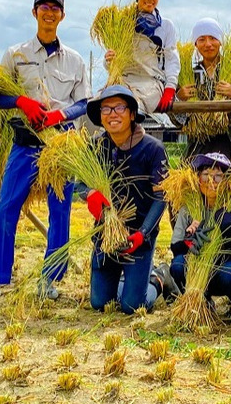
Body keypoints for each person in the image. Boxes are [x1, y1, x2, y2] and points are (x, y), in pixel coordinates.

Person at [0, 0, 88, 300]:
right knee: (7, 207)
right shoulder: (16, 55)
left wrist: (59, 114)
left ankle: (49, 280)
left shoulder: (74, 60)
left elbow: (84, 103)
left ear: (62, 15)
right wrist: (22, 101)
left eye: (55, 8)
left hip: (61, 146)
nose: (49, 12)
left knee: (60, 212)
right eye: (43, 7)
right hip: (25, 142)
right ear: (34, 13)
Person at [83, 85, 170, 314]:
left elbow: (161, 196)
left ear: (132, 114)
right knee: (100, 303)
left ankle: (158, 278)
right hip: (106, 234)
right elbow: (80, 183)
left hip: (138, 235)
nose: (112, 114)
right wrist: (89, 194)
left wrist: (143, 233)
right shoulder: (95, 147)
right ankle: (129, 281)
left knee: (132, 306)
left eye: (120, 107)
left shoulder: (153, 149)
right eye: (106, 109)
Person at [164, 152, 231, 314]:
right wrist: (189, 242)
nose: (211, 181)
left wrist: (228, 232)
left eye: (218, 176)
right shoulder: (190, 208)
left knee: (229, 274)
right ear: (197, 179)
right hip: (203, 268)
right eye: (206, 174)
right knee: (179, 266)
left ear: (227, 180)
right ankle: (203, 303)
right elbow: (175, 247)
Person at [105, 0, 180, 117]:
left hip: (151, 82)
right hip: (124, 80)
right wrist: (109, 60)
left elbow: (171, 59)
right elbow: (111, 64)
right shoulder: (121, 23)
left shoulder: (166, 26)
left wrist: (170, 88)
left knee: (131, 106)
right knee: (101, 103)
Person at [176, 18, 231, 158]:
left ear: (220, 41)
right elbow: (179, 122)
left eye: (213, 38)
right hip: (197, 147)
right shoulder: (188, 75)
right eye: (202, 39)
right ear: (195, 44)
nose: (208, 44)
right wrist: (179, 99)